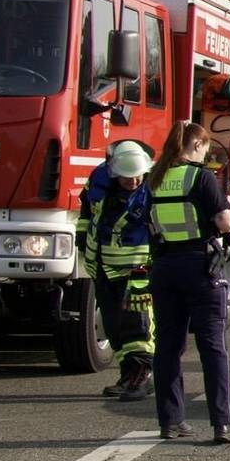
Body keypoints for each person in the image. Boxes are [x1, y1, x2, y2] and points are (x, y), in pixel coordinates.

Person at [147, 120, 230, 446]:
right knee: (213, 347)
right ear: (197, 145)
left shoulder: (154, 179)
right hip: (200, 267)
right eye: (206, 147)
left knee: (168, 348)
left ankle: (170, 422)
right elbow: (224, 222)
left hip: (164, 268)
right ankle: (220, 424)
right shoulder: (202, 177)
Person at [79, 141, 156, 401]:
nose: (133, 181)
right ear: (114, 171)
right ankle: (128, 375)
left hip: (137, 268)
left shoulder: (151, 188)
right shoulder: (99, 179)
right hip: (102, 267)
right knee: (113, 326)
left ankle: (141, 377)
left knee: (137, 326)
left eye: (137, 175)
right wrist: (82, 240)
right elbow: (86, 213)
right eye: (127, 176)